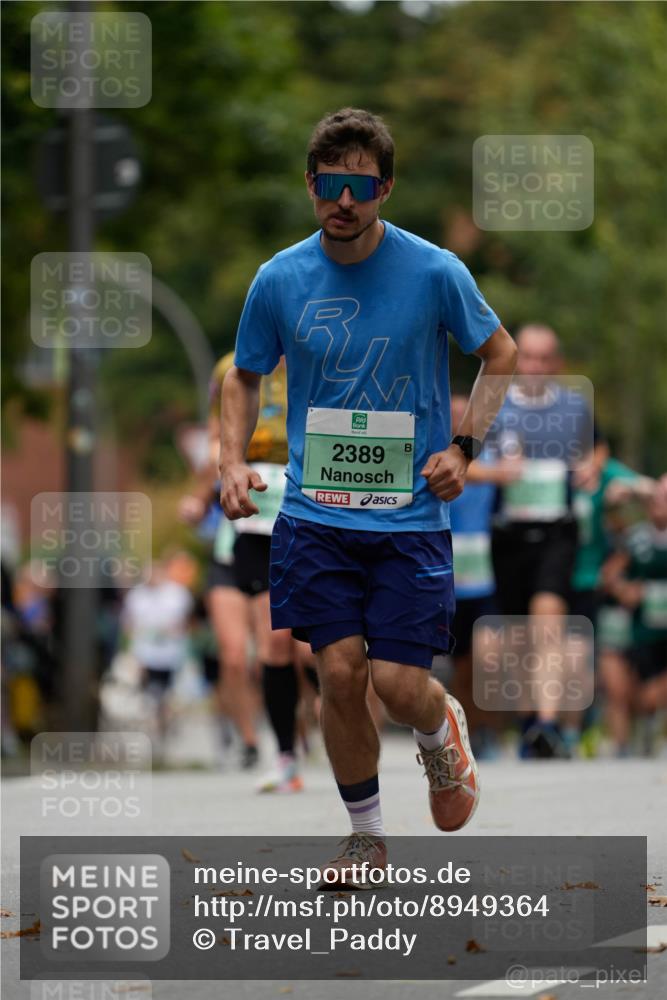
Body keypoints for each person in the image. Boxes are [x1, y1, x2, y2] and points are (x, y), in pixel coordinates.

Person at [220, 108, 517, 886]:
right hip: (314, 514)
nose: (341, 201)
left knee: (395, 682)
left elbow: (501, 354)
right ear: (310, 186)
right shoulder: (279, 278)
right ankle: (366, 837)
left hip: (408, 517)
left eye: (357, 185)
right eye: (327, 184)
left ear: (383, 187)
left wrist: (463, 447)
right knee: (339, 672)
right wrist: (229, 462)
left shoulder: (434, 272)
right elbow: (243, 374)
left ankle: (437, 725)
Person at [489, 324, 600, 758]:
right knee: (519, 638)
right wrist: (497, 472)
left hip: (557, 531)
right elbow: (460, 462)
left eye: (543, 358)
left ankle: (549, 725)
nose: (534, 366)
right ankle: (529, 721)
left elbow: (598, 449)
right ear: (516, 361)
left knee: (547, 623)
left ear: (556, 364)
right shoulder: (494, 408)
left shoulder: (575, 407)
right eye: (527, 357)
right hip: (509, 535)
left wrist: (591, 465)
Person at [600, 475, 667, 755]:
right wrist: (625, 589)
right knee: (621, 685)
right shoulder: (637, 538)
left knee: (652, 697)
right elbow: (609, 575)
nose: (660, 502)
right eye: (657, 496)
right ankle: (621, 744)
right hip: (641, 630)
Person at [122, 556, 193, 754]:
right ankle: (154, 733)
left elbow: (187, 622)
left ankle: (166, 726)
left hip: (171, 654)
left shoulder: (177, 594)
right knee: (149, 695)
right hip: (145, 653)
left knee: (167, 695)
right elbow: (128, 623)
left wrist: (175, 631)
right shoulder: (136, 596)